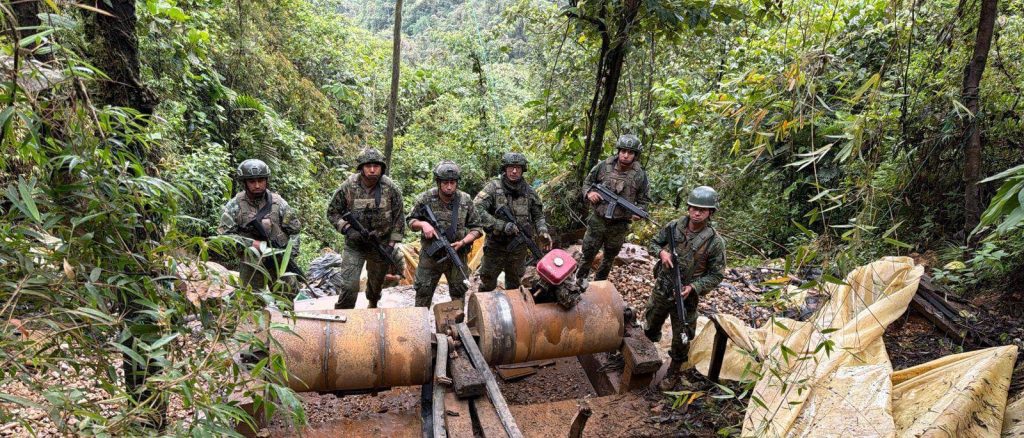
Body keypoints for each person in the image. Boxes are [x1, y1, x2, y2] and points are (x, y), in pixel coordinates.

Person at [644, 186, 726, 390]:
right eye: (694, 208)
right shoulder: (674, 227)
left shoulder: (714, 242)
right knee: (651, 324)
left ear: (710, 213)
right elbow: (653, 243)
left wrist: (694, 287)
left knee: (682, 337)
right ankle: (643, 359)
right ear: (688, 208)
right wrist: (662, 253)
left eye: (703, 210)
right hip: (663, 288)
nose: (697, 213)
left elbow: (716, 275)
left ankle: (673, 373)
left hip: (686, 297)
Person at [326, 148, 405, 309]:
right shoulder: (349, 186)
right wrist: (349, 230)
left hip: (380, 244)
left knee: (376, 287)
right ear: (361, 167)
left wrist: (390, 246)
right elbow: (332, 212)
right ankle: (343, 315)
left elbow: (399, 220)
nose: (372, 169)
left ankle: (372, 305)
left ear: (382, 168)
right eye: (368, 165)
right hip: (355, 245)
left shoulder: (390, 188)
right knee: (349, 286)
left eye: (376, 165)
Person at [218, 158, 302, 296]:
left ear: (266, 180)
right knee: (251, 300)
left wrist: (289, 255)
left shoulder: (278, 203)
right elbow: (225, 238)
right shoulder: (234, 205)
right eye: (252, 181)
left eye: (261, 180)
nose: (257, 185)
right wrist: (252, 244)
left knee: (289, 297)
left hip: (278, 260)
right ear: (244, 182)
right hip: (251, 261)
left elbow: (295, 232)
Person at [407, 160, 483, 307]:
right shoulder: (426, 198)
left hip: (457, 255)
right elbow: (410, 221)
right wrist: (423, 224)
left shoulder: (465, 200)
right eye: (445, 182)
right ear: (438, 182)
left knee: (458, 294)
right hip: (431, 256)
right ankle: (421, 327)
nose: (449, 186)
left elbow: (477, 228)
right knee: (423, 292)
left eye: (452, 182)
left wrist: (463, 242)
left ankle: (455, 327)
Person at [474, 152, 551, 292]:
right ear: (505, 168)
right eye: (511, 167)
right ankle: (483, 311)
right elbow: (476, 209)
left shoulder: (529, 192)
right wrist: (501, 225)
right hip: (495, 245)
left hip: (518, 247)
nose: (514, 171)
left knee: (514, 285)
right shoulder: (493, 188)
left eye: (518, 168)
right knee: (487, 282)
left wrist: (543, 231)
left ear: (523, 170)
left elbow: (538, 216)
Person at [579, 134, 651, 281]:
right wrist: (589, 193)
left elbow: (644, 200)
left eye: (630, 152)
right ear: (618, 151)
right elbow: (587, 183)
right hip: (598, 220)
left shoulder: (640, 175)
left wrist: (639, 212)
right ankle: (579, 281)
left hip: (619, 225)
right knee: (587, 254)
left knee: (609, 258)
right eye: (623, 151)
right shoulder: (603, 166)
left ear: (635, 155)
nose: (625, 155)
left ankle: (599, 285)